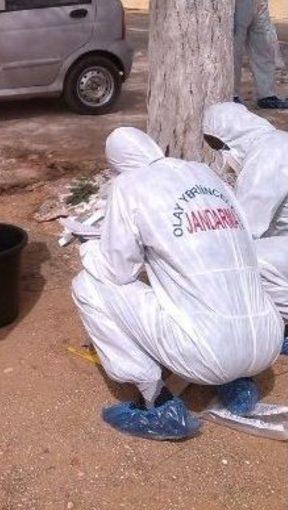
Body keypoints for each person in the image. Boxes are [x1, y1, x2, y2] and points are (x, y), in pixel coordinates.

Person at [71, 127, 283, 441]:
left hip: (208, 355)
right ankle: (237, 383)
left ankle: (157, 402)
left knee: (87, 284)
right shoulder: (206, 176)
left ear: (118, 166)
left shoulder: (130, 185)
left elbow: (118, 271)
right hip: (268, 342)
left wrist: (88, 250)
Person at [203, 102, 288, 353]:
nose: (221, 153)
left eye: (220, 146)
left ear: (232, 136)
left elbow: (245, 227)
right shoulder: (273, 143)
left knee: (243, 261)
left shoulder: (268, 154)